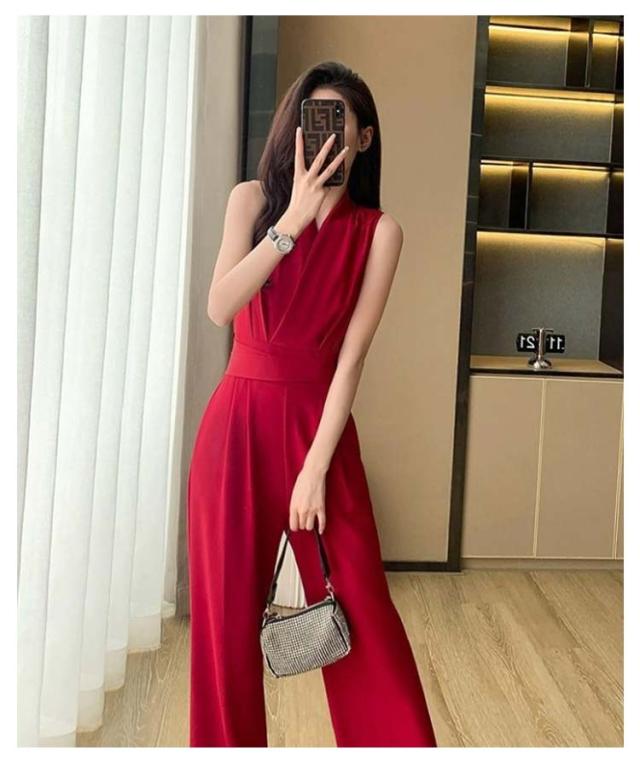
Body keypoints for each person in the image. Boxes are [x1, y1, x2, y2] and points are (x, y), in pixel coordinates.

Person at [187, 60, 437, 748]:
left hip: (318, 434)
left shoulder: (379, 232)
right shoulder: (251, 202)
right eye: (310, 117)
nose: (322, 132)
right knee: (223, 628)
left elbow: (350, 361)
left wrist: (314, 468)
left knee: (364, 616)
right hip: (234, 432)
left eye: (337, 119)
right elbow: (220, 307)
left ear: (363, 137)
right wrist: (291, 220)